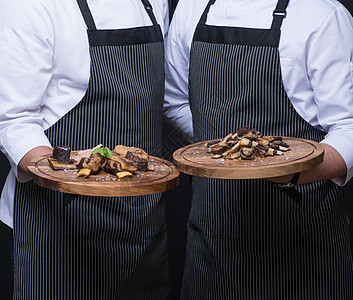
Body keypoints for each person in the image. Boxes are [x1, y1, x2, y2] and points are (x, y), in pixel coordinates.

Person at [164, 0, 353, 298]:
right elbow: (173, 101)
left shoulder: (322, 14)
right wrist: (224, 152)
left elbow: (349, 127)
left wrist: (286, 172)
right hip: (212, 243)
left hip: (301, 243)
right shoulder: (193, 7)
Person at [0, 0, 170, 298]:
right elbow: (13, 119)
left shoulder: (153, 3)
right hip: (59, 224)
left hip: (141, 218)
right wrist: (70, 168)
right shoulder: (30, 5)